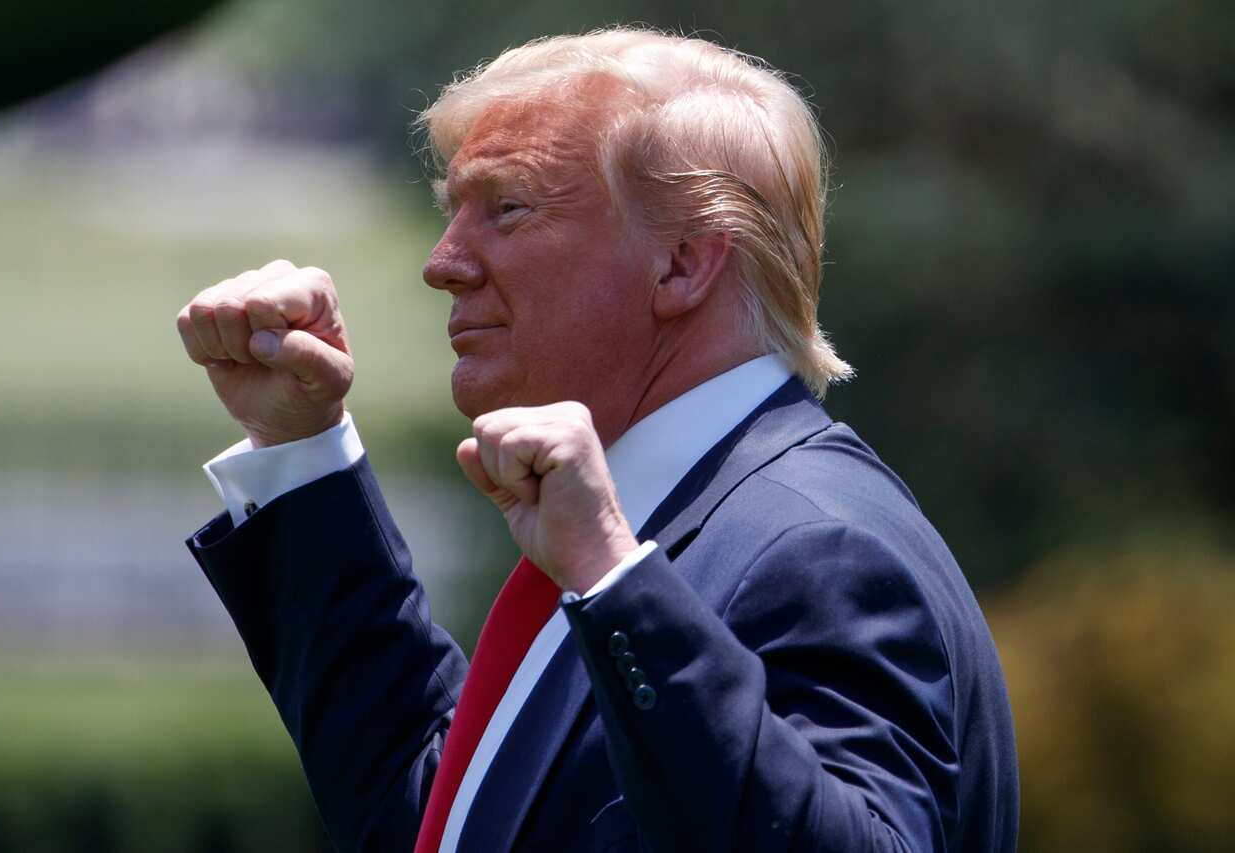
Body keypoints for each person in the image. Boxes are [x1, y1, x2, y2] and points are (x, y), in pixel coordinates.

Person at [177, 28, 1018, 853]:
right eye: (453, 213)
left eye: (508, 208)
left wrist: (615, 580)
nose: (443, 262)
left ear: (683, 265)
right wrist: (299, 447)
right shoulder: (650, 526)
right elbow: (438, 816)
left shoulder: (817, 548)